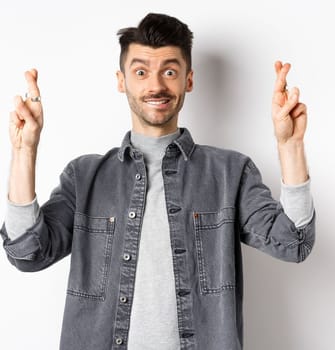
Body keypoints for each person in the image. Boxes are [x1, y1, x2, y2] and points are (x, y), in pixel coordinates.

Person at [1, 13, 315, 349]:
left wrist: (290, 145)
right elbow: (27, 254)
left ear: (188, 80)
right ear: (121, 81)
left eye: (169, 71)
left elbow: (293, 243)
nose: (155, 86)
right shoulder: (84, 177)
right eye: (140, 72)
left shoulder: (230, 172)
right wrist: (24, 150)